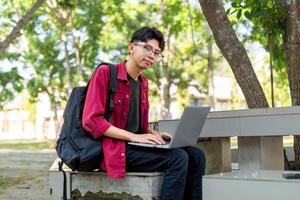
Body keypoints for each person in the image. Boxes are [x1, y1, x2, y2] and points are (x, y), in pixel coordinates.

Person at [82, 26, 206, 200]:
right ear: (131, 47)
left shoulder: (143, 83)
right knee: (177, 158)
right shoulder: (105, 73)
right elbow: (92, 121)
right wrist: (135, 137)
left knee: (196, 155)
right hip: (114, 149)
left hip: (135, 146)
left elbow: (137, 125)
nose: (151, 55)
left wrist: (153, 134)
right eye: (147, 48)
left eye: (156, 53)